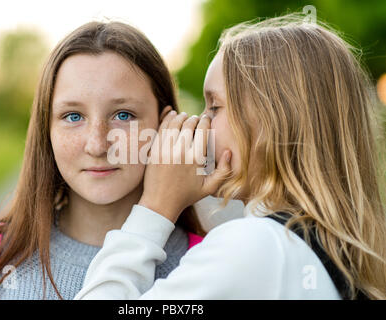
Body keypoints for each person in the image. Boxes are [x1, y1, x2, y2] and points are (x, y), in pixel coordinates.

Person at [74, 13, 386, 300]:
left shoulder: (255, 246)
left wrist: (156, 207)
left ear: (272, 121)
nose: (200, 125)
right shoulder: (323, 249)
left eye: (215, 108)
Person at [0, 21, 204, 300]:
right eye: (73, 117)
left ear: (165, 126)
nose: (97, 145)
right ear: (47, 130)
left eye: (123, 115)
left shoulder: (211, 262)